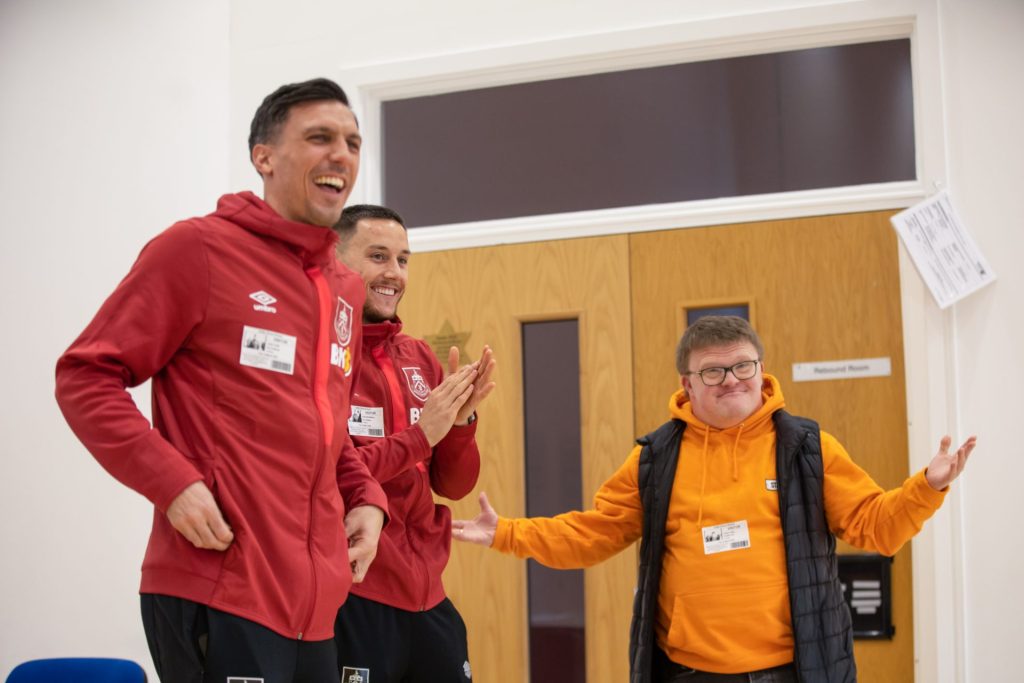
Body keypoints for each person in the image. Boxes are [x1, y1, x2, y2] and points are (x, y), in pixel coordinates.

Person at [54, 78, 388, 683]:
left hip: (315, 607)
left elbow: (328, 428)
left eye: (353, 142)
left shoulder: (345, 288)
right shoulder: (197, 250)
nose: (342, 154)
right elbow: (85, 376)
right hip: (220, 585)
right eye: (319, 137)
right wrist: (173, 484)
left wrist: (367, 499)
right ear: (263, 156)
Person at [453, 315, 975, 683]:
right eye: (713, 371)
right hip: (691, 674)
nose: (732, 381)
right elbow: (591, 534)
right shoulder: (656, 458)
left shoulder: (807, 448)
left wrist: (927, 487)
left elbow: (875, 527)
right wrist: (505, 532)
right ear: (688, 382)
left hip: (799, 670)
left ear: (761, 369)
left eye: (743, 367)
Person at [332, 204, 496, 683]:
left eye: (403, 260)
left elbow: (454, 484)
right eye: (378, 256)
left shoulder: (420, 356)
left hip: (428, 595)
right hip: (357, 594)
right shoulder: (323, 357)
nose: (394, 273)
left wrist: (461, 422)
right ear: (336, 262)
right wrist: (422, 434)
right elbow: (333, 475)